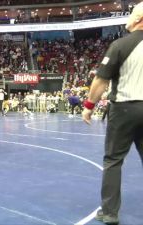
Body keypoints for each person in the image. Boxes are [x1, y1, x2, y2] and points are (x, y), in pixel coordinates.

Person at [82, 3, 143, 224]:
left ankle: (109, 212)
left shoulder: (121, 45)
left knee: (113, 160)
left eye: (131, 14)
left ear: (138, 19)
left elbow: (101, 80)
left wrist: (89, 107)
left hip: (125, 109)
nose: (127, 18)